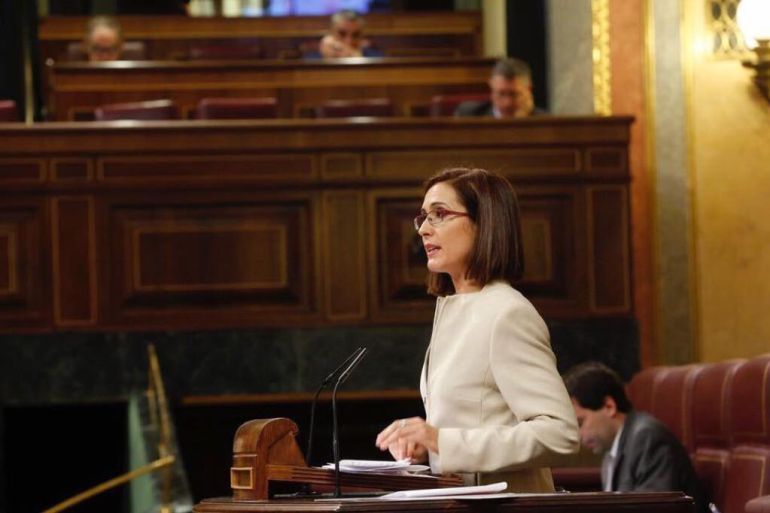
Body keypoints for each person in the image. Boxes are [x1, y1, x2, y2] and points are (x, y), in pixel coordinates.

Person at [375, 167, 579, 492]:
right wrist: (429, 448)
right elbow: (473, 425)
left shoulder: (507, 313)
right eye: (423, 217)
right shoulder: (454, 310)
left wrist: (442, 441)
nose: (424, 229)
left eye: (440, 214)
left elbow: (559, 434)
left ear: (484, 222)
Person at [563, 362, 709, 513]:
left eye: (580, 423)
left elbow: (655, 509)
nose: (579, 435)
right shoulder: (612, 446)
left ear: (609, 407)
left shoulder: (647, 439)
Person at [455, 58, 541, 118]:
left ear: (528, 89)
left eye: (514, 94)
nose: (507, 103)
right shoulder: (468, 115)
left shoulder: (543, 121)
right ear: (491, 87)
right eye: (501, 94)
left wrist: (525, 120)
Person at [317, 9, 382, 58]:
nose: (348, 41)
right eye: (342, 34)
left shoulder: (377, 59)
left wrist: (357, 59)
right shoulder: (312, 61)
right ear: (331, 32)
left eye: (355, 35)